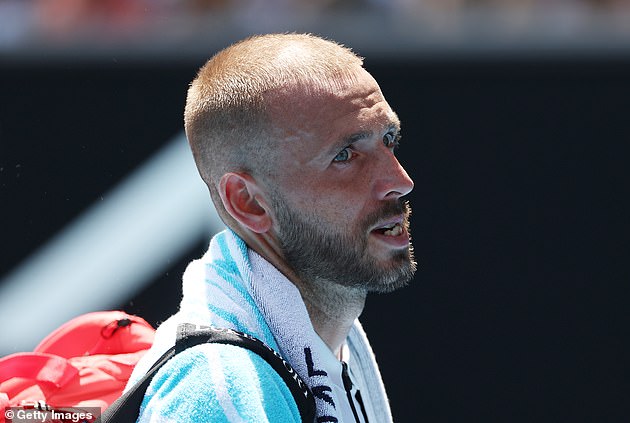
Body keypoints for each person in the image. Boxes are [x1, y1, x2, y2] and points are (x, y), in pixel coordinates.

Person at [126, 33, 416, 423]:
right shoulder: (219, 396)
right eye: (345, 156)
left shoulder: (326, 347)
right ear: (248, 202)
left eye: (389, 139)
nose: (399, 180)